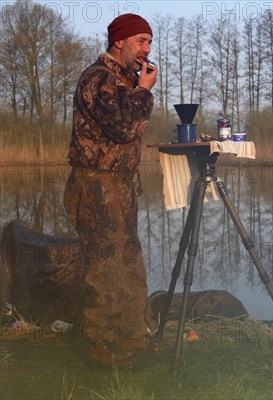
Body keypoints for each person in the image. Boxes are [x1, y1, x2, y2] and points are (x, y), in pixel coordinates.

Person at [63, 13, 168, 368]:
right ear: (118, 41)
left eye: (150, 42)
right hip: (96, 186)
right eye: (141, 41)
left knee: (129, 265)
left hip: (120, 186)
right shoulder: (98, 79)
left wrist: (138, 87)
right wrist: (144, 91)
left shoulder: (125, 80)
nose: (147, 49)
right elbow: (124, 128)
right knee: (105, 269)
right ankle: (101, 345)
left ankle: (133, 337)